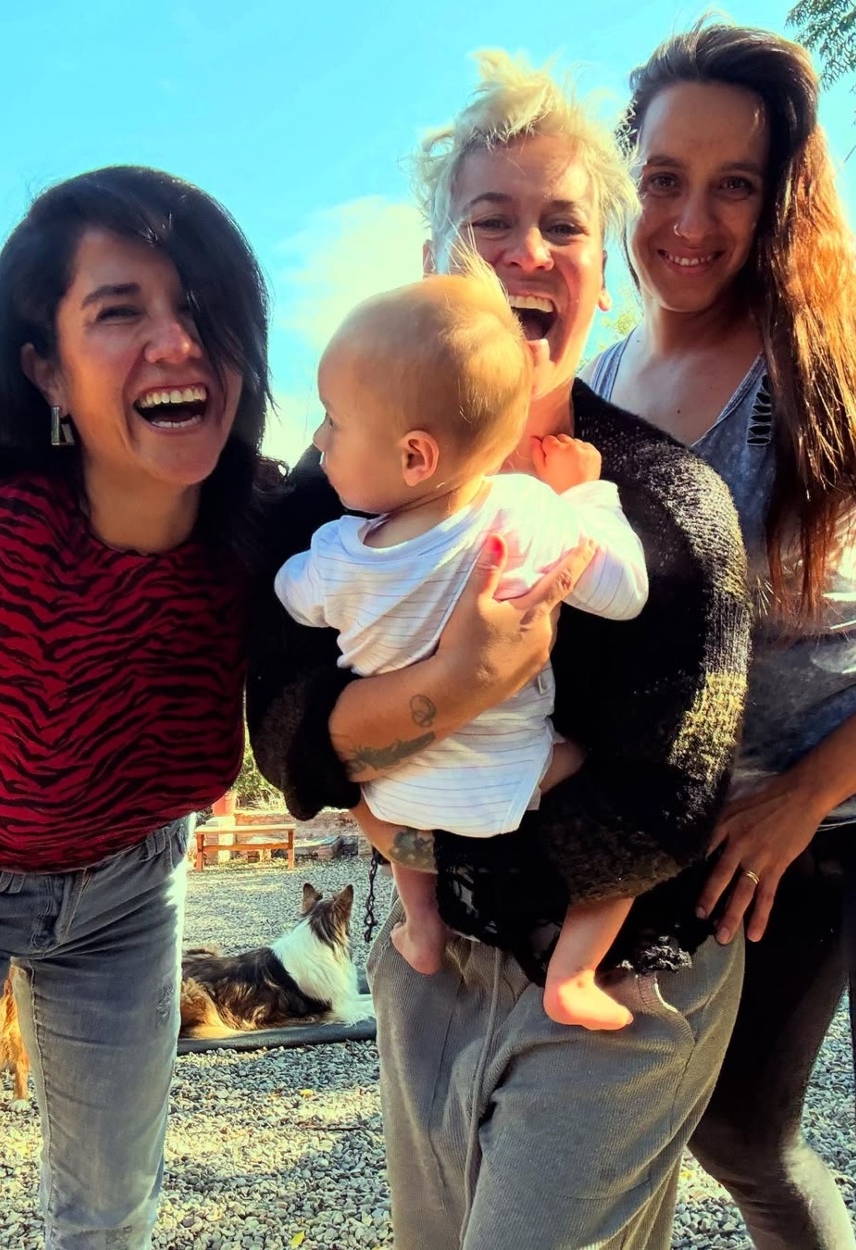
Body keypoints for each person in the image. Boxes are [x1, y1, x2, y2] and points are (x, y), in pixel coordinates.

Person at [247, 52, 751, 1249]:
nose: (527, 251)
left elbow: (668, 795)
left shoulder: (662, 505)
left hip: (622, 965)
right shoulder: (328, 497)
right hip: (428, 970)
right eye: (490, 222)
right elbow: (280, 729)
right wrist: (457, 687)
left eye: (563, 225)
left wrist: (417, 815)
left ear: (603, 274)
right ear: (437, 261)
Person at [582, 22, 856, 1249]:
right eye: (663, 178)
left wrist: (807, 792)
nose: (691, 219)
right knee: (732, 1130)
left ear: (779, 198)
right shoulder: (590, 388)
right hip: (733, 825)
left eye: (734, 184)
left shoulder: (830, 363)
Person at [0, 165, 273, 1248]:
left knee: (110, 1214)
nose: (177, 342)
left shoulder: (266, 537)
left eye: (202, 307)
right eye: (120, 312)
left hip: (129, 893)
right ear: (47, 367)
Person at [274, 266, 649, 1030]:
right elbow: (625, 591)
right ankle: (574, 972)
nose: (317, 439)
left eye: (332, 421)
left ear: (415, 456)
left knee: (381, 814)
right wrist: (586, 494)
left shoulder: (339, 552)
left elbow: (290, 595)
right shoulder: (525, 515)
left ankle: (421, 926)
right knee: (631, 804)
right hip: (513, 782)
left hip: (393, 801)